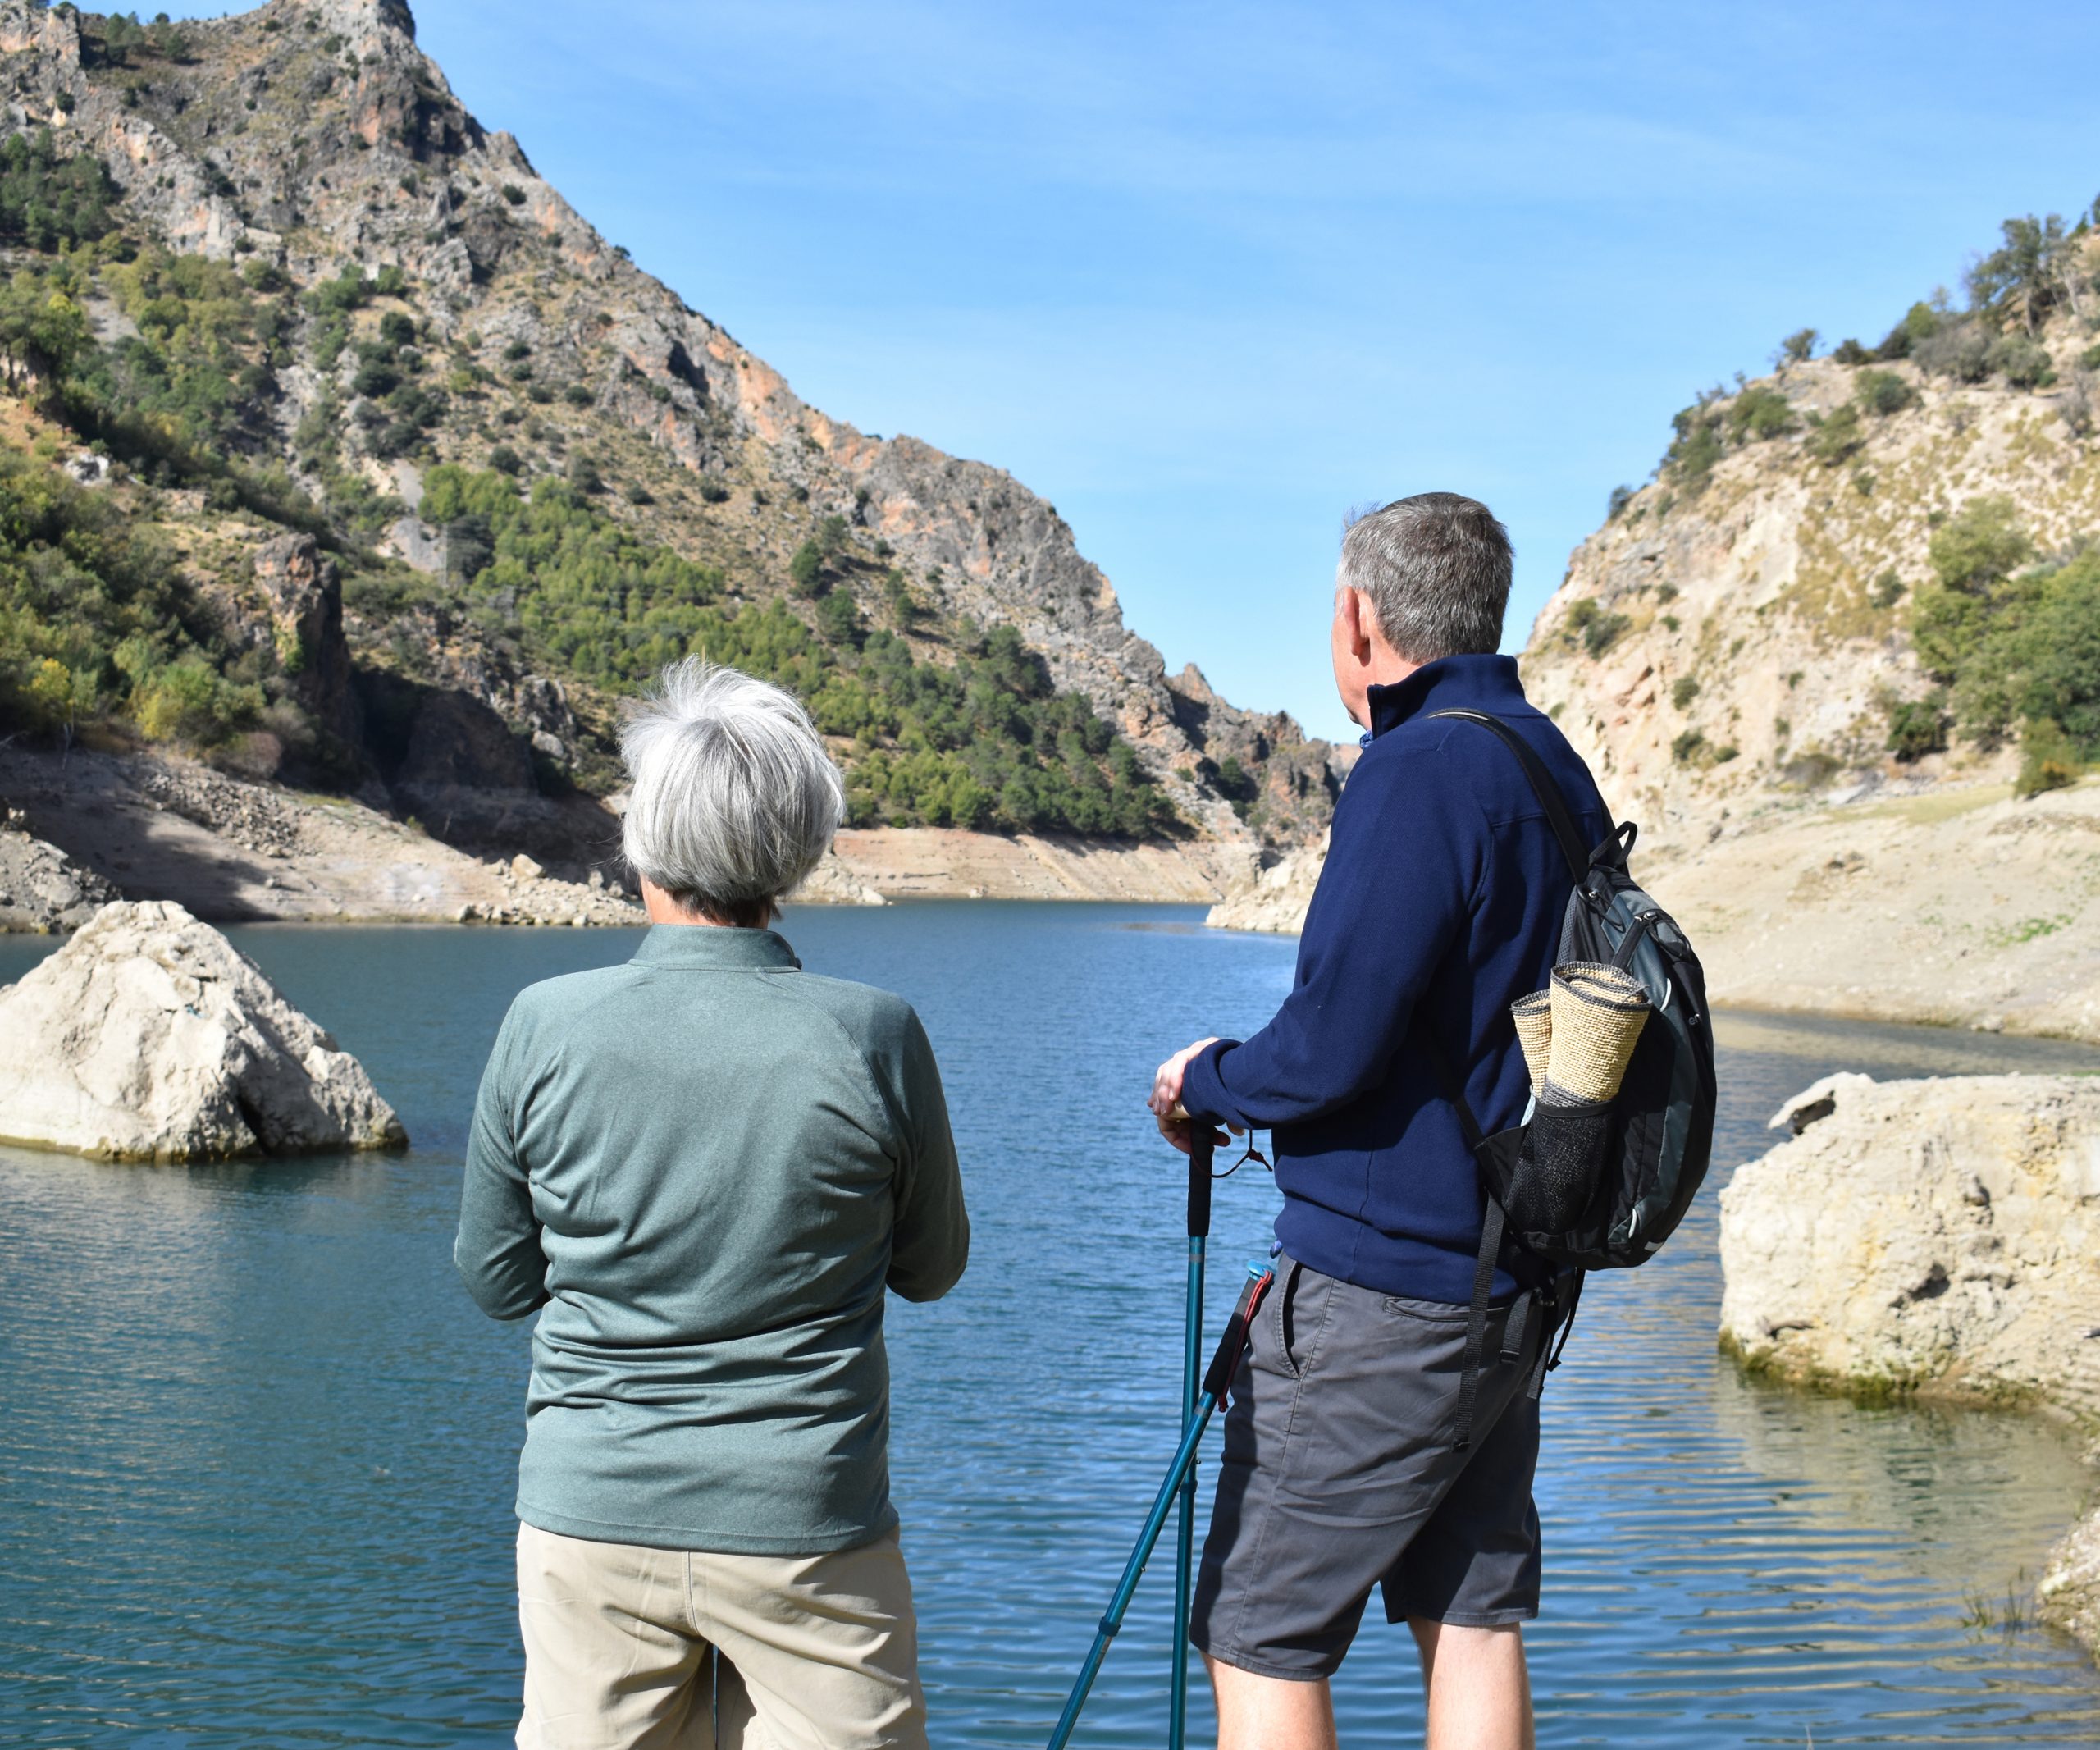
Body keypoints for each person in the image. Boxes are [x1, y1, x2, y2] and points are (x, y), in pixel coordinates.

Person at [1149, 494, 1608, 1750]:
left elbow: (1329, 1044)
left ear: (1359, 617)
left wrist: (1206, 1081)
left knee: (1260, 1628)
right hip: (1510, 1278)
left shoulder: (1415, 772)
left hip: (1380, 1297)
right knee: (1469, 1609)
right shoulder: (1543, 759)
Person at [455, 659, 969, 1750]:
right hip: (809, 1528)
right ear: (797, 850)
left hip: (592, 1522)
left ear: (640, 842)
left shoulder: (542, 1024)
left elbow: (497, 1282)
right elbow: (933, 1267)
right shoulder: (874, 1033)